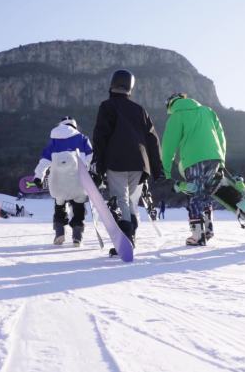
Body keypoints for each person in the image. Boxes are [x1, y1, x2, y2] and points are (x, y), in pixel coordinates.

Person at [91, 69, 163, 252]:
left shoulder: (107, 106)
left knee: (121, 200)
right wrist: (157, 169)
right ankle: (132, 237)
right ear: (130, 87)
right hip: (140, 165)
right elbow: (153, 140)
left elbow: (101, 137)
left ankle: (127, 239)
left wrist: (98, 167)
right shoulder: (140, 110)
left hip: (116, 162)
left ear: (112, 84)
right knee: (131, 202)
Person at [161, 93, 226, 246]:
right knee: (206, 193)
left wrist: (166, 171)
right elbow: (221, 136)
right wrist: (222, 160)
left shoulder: (177, 116)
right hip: (215, 157)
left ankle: (197, 235)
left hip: (194, 160)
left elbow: (168, 146)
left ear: (171, 105)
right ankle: (208, 229)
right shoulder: (207, 111)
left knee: (195, 193)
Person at [33, 116, 93, 246]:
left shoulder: (53, 141)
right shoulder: (82, 138)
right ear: (74, 126)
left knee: (59, 206)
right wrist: (93, 173)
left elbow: (44, 161)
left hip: (58, 183)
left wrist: (38, 177)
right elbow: (91, 157)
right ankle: (77, 235)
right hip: (78, 182)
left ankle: (59, 232)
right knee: (78, 207)